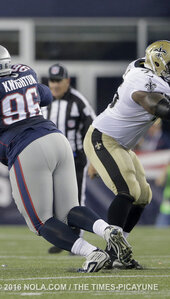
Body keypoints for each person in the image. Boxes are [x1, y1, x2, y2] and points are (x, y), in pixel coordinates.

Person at [0, 43, 132, 273]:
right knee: (69, 210)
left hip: (27, 149)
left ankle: (92, 252)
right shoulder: (26, 74)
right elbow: (46, 96)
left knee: (40, 222)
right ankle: (107, 230)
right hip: (57, 140)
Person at [84, 40, 170, 269]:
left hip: (121, 144)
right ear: (159, 64)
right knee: (128, 191)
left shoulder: (145, 70)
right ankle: (108, 255)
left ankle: (121, 250)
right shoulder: (143, 79)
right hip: (103, 138)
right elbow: (153, 104)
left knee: (143, 195)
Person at [42, 63, 96, 254]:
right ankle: (65, 238)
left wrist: (94, 160)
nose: (55, 85)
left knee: (74, 200)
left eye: (58, 81)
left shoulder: (78, 101)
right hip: (50, 159)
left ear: (67, 81)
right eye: (52, 81)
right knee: (53, 201)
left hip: (74, 158)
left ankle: (76, 239)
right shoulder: (43, 100)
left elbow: (93, 129)